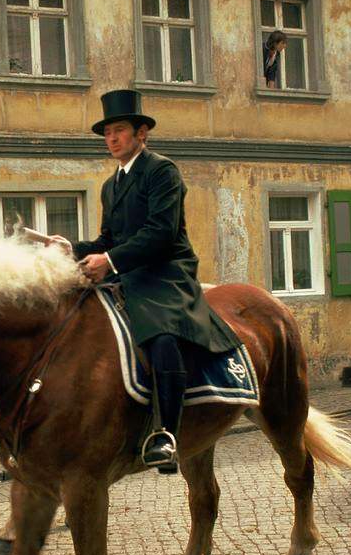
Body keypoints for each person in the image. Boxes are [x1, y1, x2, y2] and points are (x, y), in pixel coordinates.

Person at [46, 89, 241, 474]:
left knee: (161, 334)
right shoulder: (111, 184)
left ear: (141, 135)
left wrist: (111, 260)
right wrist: (71, 246)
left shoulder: (161, 171)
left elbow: (160, 233)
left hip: (167, 270)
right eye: (108, 133)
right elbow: (107, 240)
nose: (112, 139)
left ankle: (167, 433)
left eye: (119, 130)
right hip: (129, 271)